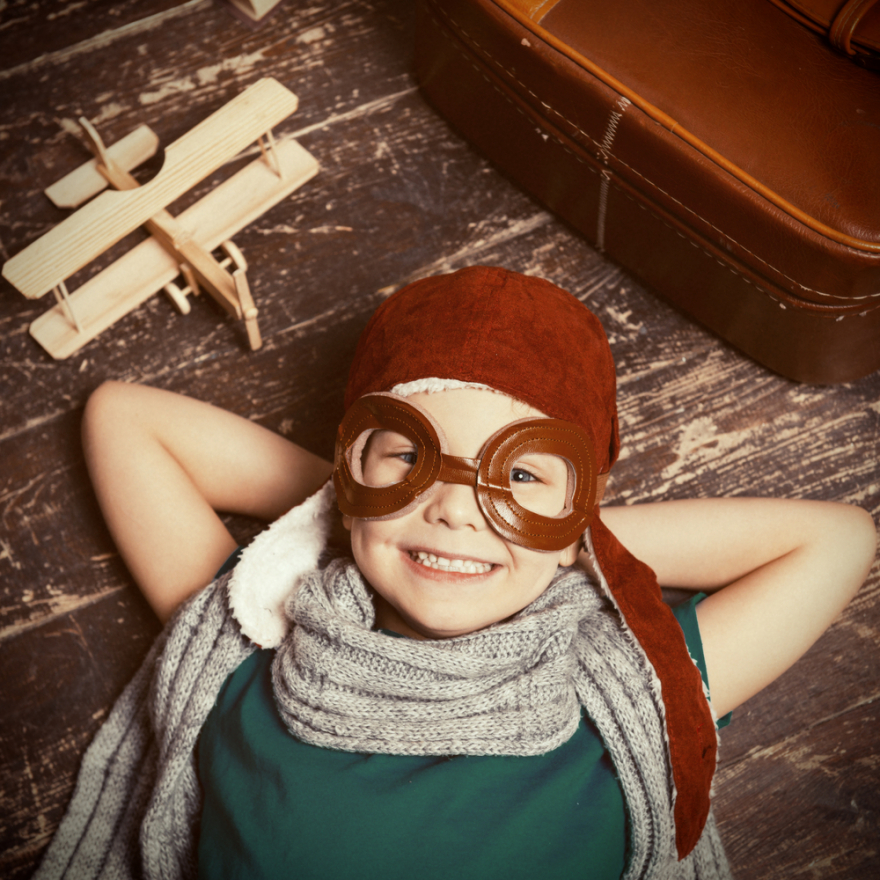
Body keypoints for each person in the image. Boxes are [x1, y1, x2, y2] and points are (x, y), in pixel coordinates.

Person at [37, 266, 875, 880]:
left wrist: (556, 534)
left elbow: (839, 539)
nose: (458, 510)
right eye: (409, 455)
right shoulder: (249, 650)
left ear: (578, 510)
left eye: (522, 476)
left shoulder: (627, 688)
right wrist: (367, 502)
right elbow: (125, 418)